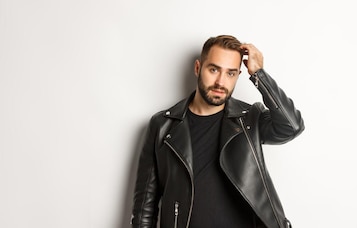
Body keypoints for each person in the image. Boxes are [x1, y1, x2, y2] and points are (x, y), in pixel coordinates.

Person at [130, 35, 304, 228]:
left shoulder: (249, 119)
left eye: (230, 73)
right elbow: (144, 208)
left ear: (238, 75)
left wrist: (259, 74)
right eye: (214, 69)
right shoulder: (163, 125)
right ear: (198, 68)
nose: (221, 82)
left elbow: (291, 126)